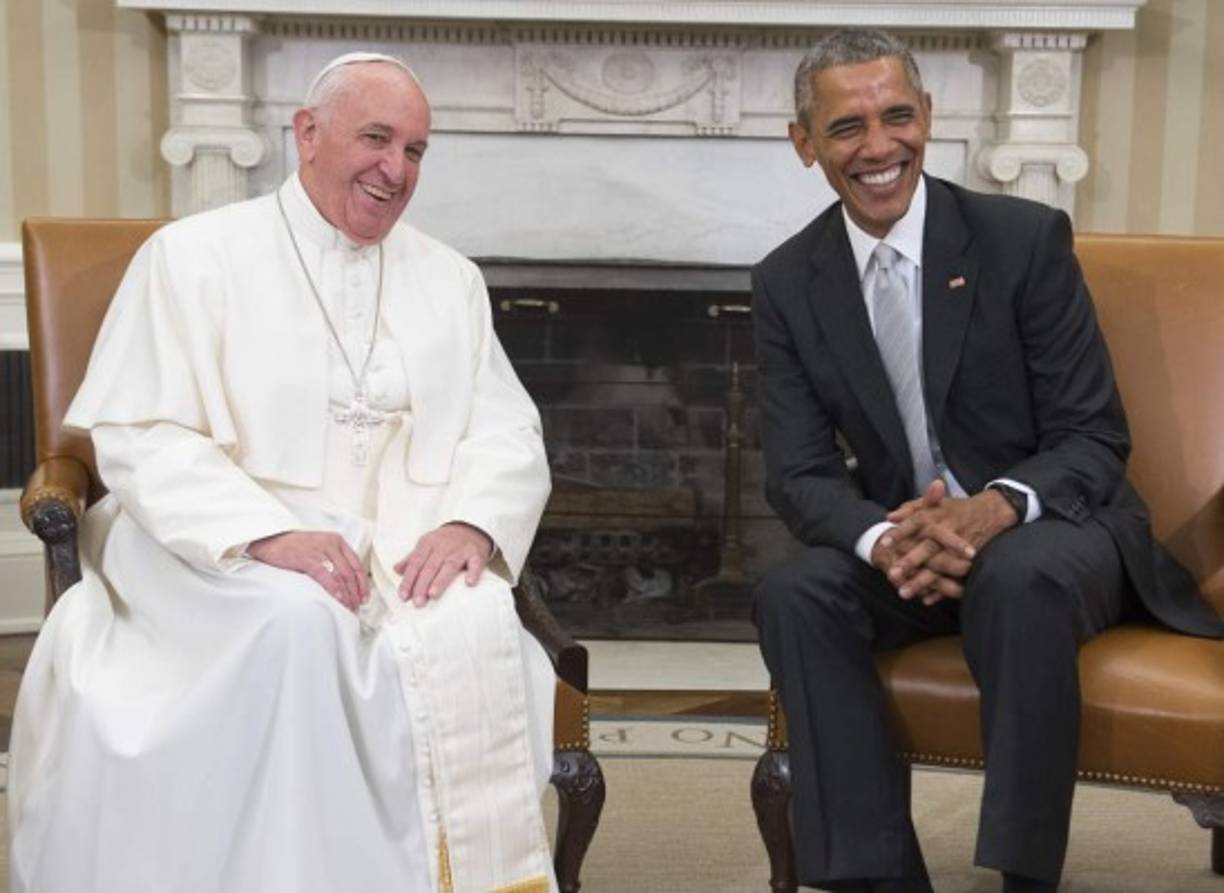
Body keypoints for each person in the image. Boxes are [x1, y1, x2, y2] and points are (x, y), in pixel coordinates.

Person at [8, 52, 559, 893]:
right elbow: (141, 434)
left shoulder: (451, 278)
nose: (396, 170)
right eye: (375, 138)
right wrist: (268, 533)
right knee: (299, 625)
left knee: (481, 624)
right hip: (213, 550)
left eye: (415, 150)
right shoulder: (193, 257)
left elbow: (507, 427)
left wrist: (471, 522)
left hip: (394, 547)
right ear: (306, 133)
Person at [751, 28, 1222, 893]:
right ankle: (877, 876)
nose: (879, 145)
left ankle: (1022, 873)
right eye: (847, 127)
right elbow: (799, 472)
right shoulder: (787, 281)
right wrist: (883, 542)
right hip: (909, 541)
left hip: (1056, 528)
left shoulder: (1022, 240)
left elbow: (1093, 435)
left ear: (928, 116)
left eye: (898, 115)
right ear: (805, 144)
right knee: (793, 591)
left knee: (1017, 577)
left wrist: (992, 510)